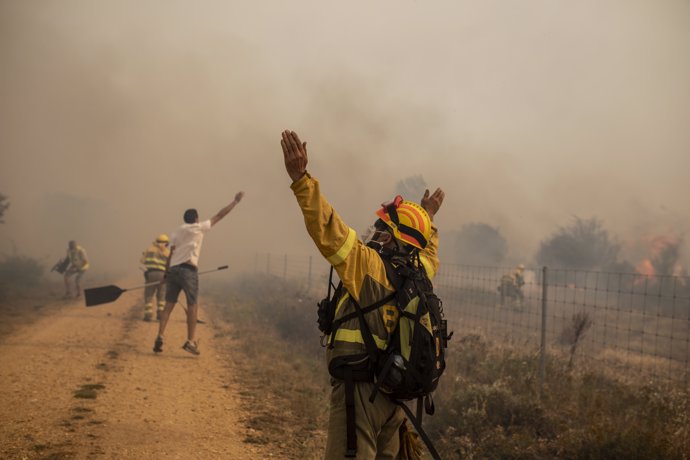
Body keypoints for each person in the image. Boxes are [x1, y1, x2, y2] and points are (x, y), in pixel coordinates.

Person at [280, 130, 445, 458]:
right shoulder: (421, 273)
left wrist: (301, 179)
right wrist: (427, 218)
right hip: (393, 402)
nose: (375, 231)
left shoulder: (367, 265)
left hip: (360, 397)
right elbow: (428, 249)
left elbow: (328, 228)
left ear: (390, 236)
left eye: (382, 227)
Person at [153, 192, 244, 355]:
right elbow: (220, 215)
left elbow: (171, 253)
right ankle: (190, 341)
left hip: (173, 270)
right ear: (196, 218)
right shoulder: (199, 227)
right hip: (189, 270)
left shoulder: (176, 232)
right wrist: (235, 202)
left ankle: (160, 335)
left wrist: (166, 274)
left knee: (168, 305)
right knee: (192, 305)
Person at [139, 234, 171, 322]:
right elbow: (171, 265)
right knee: (161, 295)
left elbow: (142, 261)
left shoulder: (149, 249)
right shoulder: (168, 252)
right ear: (166, 243)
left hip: (151, 274)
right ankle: (160, 314)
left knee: (149, 294)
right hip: (162, 275)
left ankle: (148, 315)